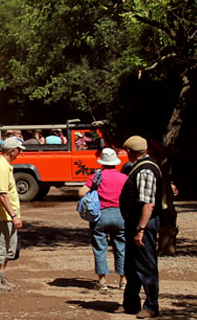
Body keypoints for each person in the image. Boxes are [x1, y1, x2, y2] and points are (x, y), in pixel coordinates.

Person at [115, 136, 163, 318]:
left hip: (143, 224)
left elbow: (147, 203)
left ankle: (151, 305)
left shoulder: (145, 170)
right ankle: (130, 303)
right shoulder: (145, 166)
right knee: (131, 264)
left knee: (146, 264)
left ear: (129, 152)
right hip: (135, 223)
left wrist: (141, 229)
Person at [78, 148, 128, 291]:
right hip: (120, 216)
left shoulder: (97, 176)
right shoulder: (123, 177)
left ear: (102, 163)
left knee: (100, 248)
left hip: (101, 216)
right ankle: (123, 281)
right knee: (121, 247)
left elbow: (81, 192)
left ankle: (102, 282)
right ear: (115, 163)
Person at [0, 137, 24, 291]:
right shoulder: (0, 167)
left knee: (9, 248)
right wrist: (13, 216)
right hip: (4, 216)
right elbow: (2, 194)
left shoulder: (5, 165)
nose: (19, 153)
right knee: (1, 248)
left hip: (9, 216)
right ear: (12, 150)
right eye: (19, 150)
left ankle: (1, 276)